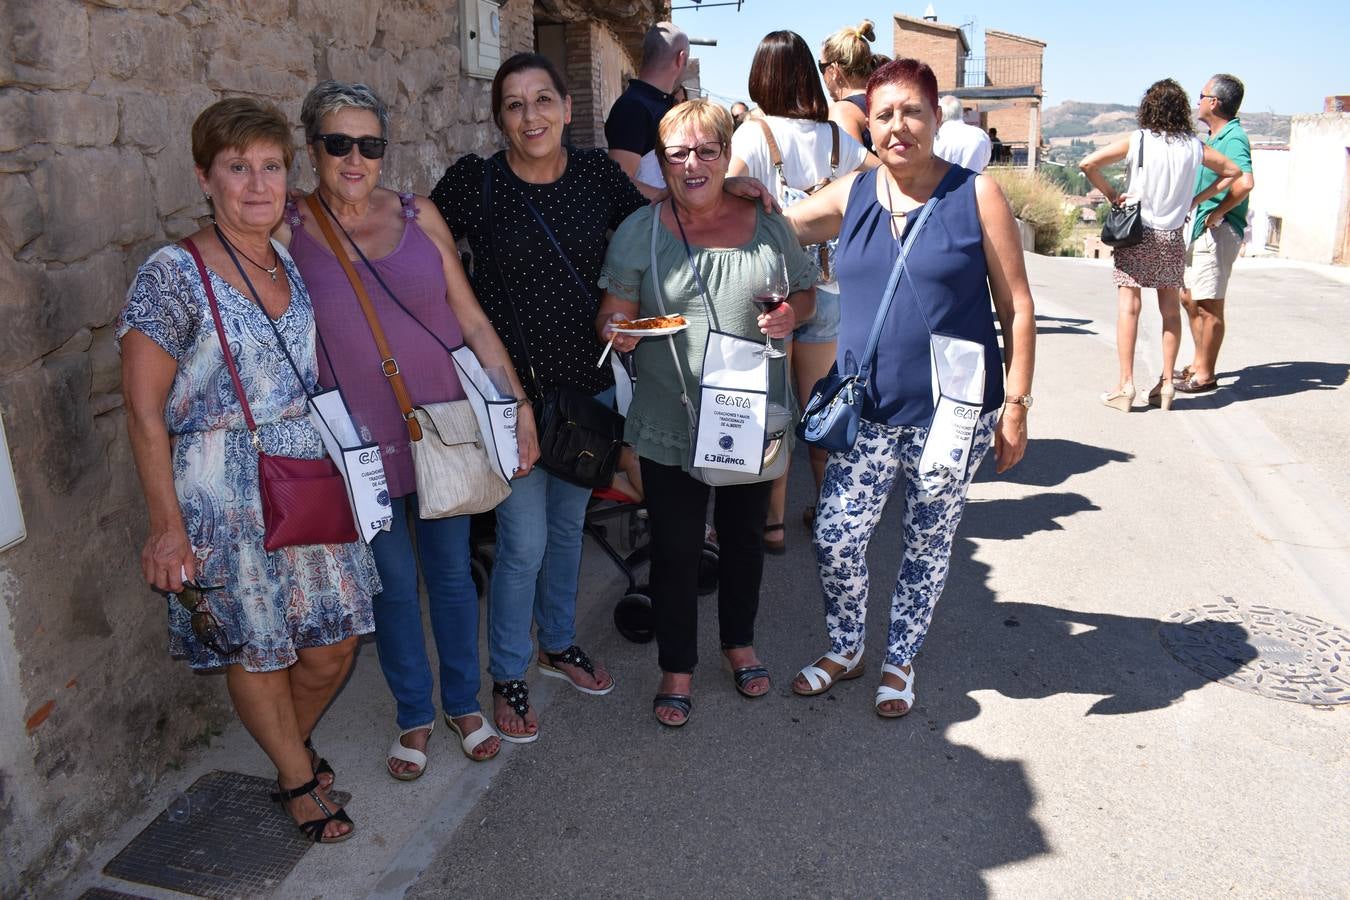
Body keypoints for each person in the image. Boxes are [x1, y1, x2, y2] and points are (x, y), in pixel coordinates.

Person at [118, 97, 380, 842]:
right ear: (205, 177)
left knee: (330, 647)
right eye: (238, 168)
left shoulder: (284, 258)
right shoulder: (171, 274)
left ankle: (285, 750)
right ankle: (299, 779)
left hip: (302, 475)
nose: (257, 184)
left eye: (270, 167)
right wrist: (167, 528)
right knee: (257, 642)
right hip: (220, 487)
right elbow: (142, 412)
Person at [278, 81, 539, 776]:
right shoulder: (291, 228)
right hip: (356, 447)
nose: (356, 158)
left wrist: (516, 408)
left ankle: (463, 704)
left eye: (370, 144)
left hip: (444, 428)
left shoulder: (420, 214)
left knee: (452, 576)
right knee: (392, 584)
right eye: (339, 144)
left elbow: (473, 318)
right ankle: (414, 715)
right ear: (313, 151)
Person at [782, 59, 1036, 717]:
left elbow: (1017, 308)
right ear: (872, 122)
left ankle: (899, 660)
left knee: (928, 538)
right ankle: (847, 646)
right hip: (865, 408)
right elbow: (777, 228)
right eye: (885, 113)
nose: (898, 126)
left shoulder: (976, 196)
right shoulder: (854, 193)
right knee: (837, 534)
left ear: (935, 119)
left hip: (954, 415)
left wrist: (1017, 407)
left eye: (912, 112)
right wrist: (729, 193)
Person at [428, 53, 649, 743]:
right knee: (521, 542)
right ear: (500, 118)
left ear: (566, 108)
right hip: (508, 399)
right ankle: (511, 673)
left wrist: (733, 193)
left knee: (564, 530)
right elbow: (417, 246)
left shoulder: (596, 177)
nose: (532, 116)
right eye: (516, 105)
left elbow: (651, 231)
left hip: (586, 394)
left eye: (543, 100)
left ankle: (558, 642)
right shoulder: (477, 184)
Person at [597, 100, 816, 727]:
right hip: (672, 416)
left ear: (727, 154)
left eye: (706, 151)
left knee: (745, 537)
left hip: (749, 413)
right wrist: (620, 329)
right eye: (677, 154)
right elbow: (610, 313)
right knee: (675, 548)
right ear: (662, 162)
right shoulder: (640, 232)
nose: (693, 164)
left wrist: (791, 314)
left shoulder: (768, 223)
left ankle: (739, 644)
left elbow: (803, 291)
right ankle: (677, 667)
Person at [728, 29, 872, 555]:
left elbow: (727, 191)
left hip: (770, 289)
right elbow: (881, 183)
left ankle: (772, 523)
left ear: (760, 75)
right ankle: (832, 510)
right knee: (821, 406)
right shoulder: (838, 140)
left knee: (772, 408)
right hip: (830, 288)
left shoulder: (753, 135)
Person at [1079, 78, 1240, 411]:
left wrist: (1112, 196)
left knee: (1129, 307)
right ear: (1181, 109)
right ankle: (1166, 385)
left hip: (1136, 232)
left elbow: (1088, 164)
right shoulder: (1193, 146)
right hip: (1171, 235)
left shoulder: (1138, 140)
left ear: (1148, 107)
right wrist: (1196, 199)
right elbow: (1233, 171)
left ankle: (1125, 386)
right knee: (1169, 310)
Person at [1177, 73, 1255, 394]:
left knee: (1209, 305)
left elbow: (1245, 182)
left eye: (1202, 94)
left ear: (1215, 102)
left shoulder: (1233, 138)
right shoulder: (1216, 136)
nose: (1198, 101)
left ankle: (1205, 374)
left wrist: (1218, 213)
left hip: (1217, 231)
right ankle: (1198, 362)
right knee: (1189, 298)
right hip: (1201, 229)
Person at [605, 21, 689, 195]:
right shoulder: (633, 107)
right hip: (647, 220)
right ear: (681, 59)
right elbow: (618, 182)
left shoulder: (657, 104)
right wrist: (675, 201)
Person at [818, 19, 887, 153]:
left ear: (833, 70)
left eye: (822, 67)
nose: (821, 74)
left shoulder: (843, 112)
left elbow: (850, 170)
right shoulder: (886, 101)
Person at [934, 95, 991, 173]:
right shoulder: (980, 135)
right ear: (961, 111)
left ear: (940, 113)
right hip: (973, 183)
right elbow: (984, 165)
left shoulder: (935, 137)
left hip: (942, 184)